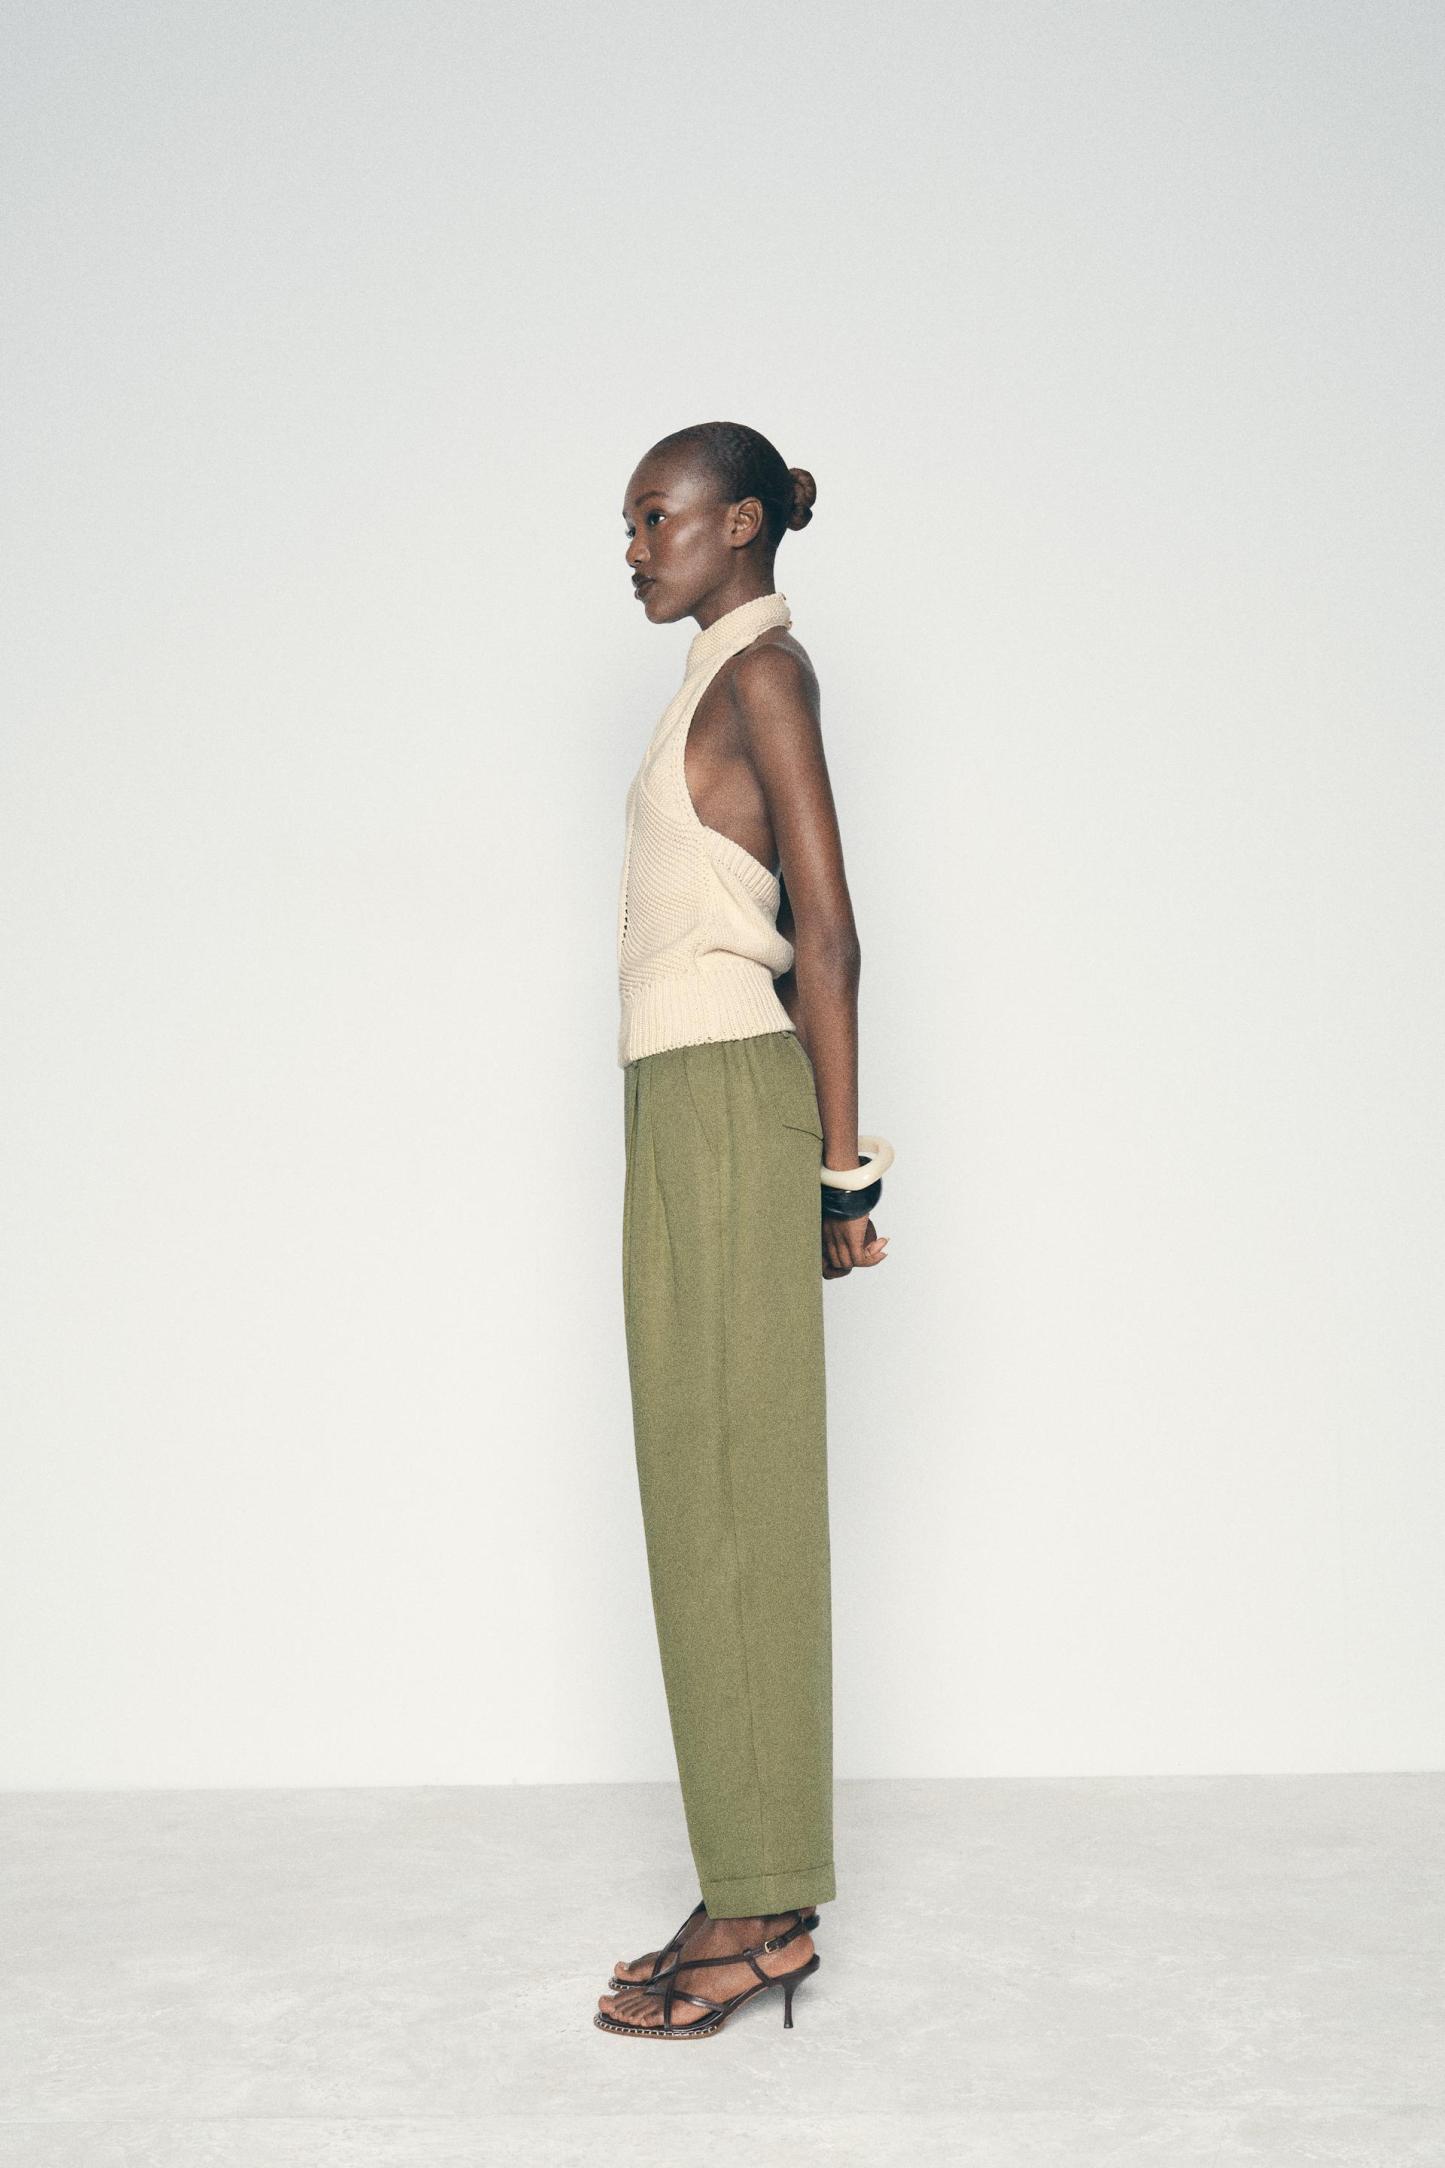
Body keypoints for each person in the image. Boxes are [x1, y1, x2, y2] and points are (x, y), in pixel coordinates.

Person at [595, 421, 889, 2040]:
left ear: (745, 523)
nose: (635, 546)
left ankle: (766, 1907)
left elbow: (827, 937)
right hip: (677, 1097)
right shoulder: (711, 674)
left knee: (736, 1501)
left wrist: (842, 1176)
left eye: (659, 517)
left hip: (726, 1101)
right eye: (632, 522)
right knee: (694, 1491)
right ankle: (743, 1874)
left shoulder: (765, 675)